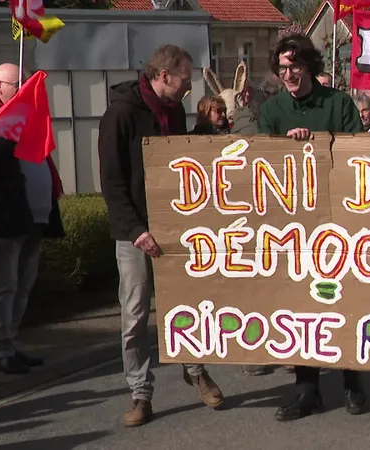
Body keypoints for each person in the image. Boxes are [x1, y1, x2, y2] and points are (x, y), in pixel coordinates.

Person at [98, 44, 224, 428]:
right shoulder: (120, 114)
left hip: (173, 227)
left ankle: (195, 369)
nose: (189, 86)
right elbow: (112, 182)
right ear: (164, 75)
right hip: (133, 233)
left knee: (185, 303)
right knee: (136, 314)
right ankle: (140, 393)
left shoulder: (173, 112)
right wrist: (137, 231)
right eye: (185, 78)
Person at [259, 33, 367, 422]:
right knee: (301, 303)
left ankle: (353, 381)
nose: (288, 73)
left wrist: (318, 141)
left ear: (310, 66)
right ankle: (307, 389)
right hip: (294, 223)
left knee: (344, 298)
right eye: (282, 67)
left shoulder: (337, 102)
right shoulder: (271, 109)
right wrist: (284, 148)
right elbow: (261, 163)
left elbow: (358, 151)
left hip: (339, 217)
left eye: (295, 66)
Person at [0, 63, 64, 375]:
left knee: (23, 285)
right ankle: (0, 349)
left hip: (34, 214)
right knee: (5, 285)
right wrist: (8, 134)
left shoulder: (27, 114)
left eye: (24, 81)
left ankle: (12, 342)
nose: (22, 88)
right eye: (16, 82)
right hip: (4, 217)